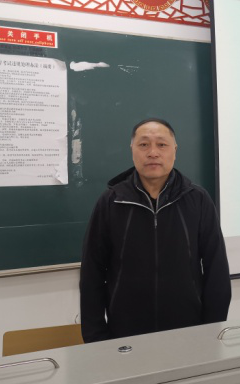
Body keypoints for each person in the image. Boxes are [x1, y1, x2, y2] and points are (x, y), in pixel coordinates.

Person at [80, 118, 231, 343]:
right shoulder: (112, 202)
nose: (153, 153)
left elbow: (216, 270)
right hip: (125, 334)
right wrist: (96, 337)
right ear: (132, 150)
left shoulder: (197, 200)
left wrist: (212, 331)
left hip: (189, 333)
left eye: (161, 144)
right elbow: (91, 273)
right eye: (144, 145)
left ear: (174, 150)